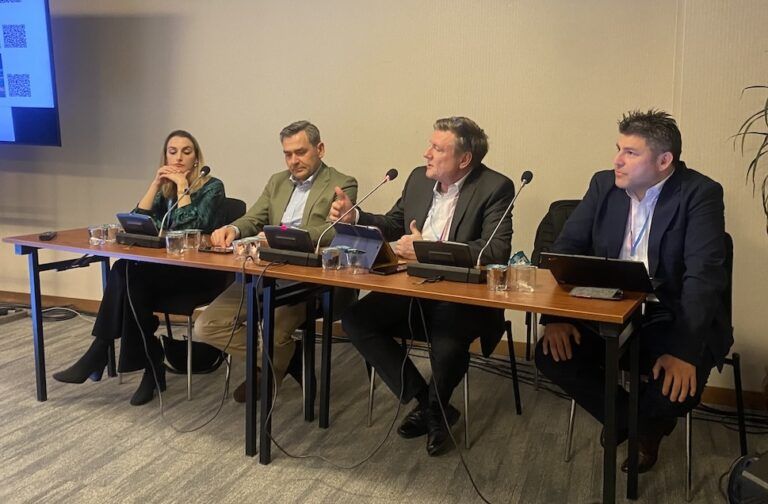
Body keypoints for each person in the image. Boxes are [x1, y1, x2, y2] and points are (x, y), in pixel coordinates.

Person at [535, 110, 732, 473]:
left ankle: (639, 422)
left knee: (675, 390)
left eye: (630, 152)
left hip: (674, 313)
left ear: (663, 160)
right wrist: (557, 317)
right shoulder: (603, 184)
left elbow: (703, 279)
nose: (617, 161)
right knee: (552, 355)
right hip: (610, 307)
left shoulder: (700, 193)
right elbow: (565, 251)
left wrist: (683, 351)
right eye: (617, 149)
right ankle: (639, 425)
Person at [331, 116, 515, 456]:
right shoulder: (418, 179)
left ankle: (433, 406)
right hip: (413, 288)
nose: (425, 153)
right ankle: (430, 404)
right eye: (430, 145)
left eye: (437, 148)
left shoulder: (495, 187)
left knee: (447, 343)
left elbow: (494, 250)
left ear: (464, 160)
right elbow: (394, 223)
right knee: (356, 319)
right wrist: (356, 218)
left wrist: (424, 248)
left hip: (462, 296)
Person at [53, 130, 228, 405]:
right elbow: (134, 223)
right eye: (172, 151)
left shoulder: (212, 186)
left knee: (125, 273)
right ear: (165, 155)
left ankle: (103, 351)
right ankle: (149, 365)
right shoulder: (165, 189)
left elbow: (191, 227)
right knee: (125, 272)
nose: (179, 157)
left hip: (199, 275)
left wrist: (183, 186)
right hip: (160, 273)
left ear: (196, 158)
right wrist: (154, 185)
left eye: (186, 151)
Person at [194, 120, 358, 402]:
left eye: (301, 152)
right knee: (206, 326)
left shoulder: (342, 183)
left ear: (320, 149)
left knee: (275, 332)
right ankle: (284, 358)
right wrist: (232, 230)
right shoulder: (277, 182)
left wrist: (282, 237)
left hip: (309, 281)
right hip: (264, 273)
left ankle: (270, 363)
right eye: (287, 154)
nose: (293, 160)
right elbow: (253, 218)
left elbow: (335, 232)